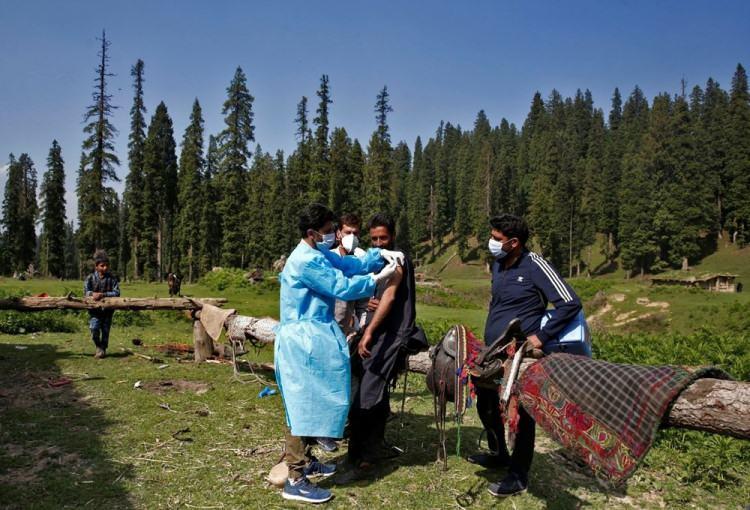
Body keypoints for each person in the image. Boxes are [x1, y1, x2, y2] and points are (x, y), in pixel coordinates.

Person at [275, 203, 404, 504]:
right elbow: (340, 285)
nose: (333, 234)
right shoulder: (305, 261)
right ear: (311, 233)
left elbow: (346, 265)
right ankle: (295, 477)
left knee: (314, 399)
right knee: (299, 405)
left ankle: (306, 463)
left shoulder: (318, 253)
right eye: (328, 230)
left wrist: (377, 257)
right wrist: (377, 278)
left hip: (314, 335)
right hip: (301, 339)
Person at [468, 214, 582, 497]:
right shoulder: (498, 264)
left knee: (520, 414)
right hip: (493, 349)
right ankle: (498, 454)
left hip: (520, 353)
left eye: (497, 239)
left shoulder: (535, 265)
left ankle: (518, 475)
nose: (491, 243)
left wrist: (541, 337)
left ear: (514, 242)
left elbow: (570, 303)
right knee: (486, 405)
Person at [346, 213, 427, 475]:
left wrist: (368, 332)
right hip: (376, 328)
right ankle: (364, 447)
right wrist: (368, 300)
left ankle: (366, 454)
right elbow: (375, 292)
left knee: (369, 390)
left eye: (383, 238)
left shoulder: (398, 259)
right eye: (374, 239)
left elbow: (391, 298)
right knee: (364, 383)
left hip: (392, 332)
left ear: (392, 236)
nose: (379, 243)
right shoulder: (377, 260)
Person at [314, 213, 371, 454]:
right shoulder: (326, 259)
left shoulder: (358, 262)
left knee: (346, 381)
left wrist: (357, 327)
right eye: (348, 232)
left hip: (345, 333)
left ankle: (337, 426)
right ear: (338, 233)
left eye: (356, 233)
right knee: (323, 380)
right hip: (324, 329)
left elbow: (361, 303)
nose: (352, 237)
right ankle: (319, 431)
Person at [83, 250, 121, 359]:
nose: (105, 268)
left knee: (105, 331)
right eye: (102, 266)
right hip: (94, 311)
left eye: (106, 266)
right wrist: (92, 294)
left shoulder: (112, 278)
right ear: (96, 266)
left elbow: (117, 292)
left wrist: (103, 294)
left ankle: (102, 349)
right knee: (94, 328)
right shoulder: (90, 278)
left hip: (108, 311)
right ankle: (98, 346)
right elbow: (86, 291)